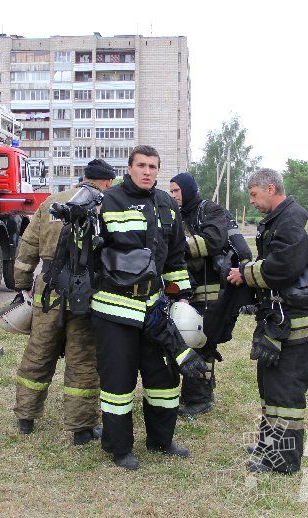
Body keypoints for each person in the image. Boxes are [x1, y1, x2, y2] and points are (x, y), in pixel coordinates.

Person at [91, 145, 207, 470]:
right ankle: (119, 448)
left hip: (154, 308)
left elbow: (174, 257)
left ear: (158, 170)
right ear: (129, 168)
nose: (147, 171)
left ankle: (161, 440)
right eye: (141, 165)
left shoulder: (168, 204)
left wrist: (180, 296)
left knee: (164, 379)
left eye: (153, 167)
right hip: (116, 310)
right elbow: (110, 254)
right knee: (118, 383)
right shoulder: (110, 201)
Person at [227, 168, 308, 475]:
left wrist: (245, 274)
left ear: (271, 188)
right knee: (270, 388)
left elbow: (282, 267)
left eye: (255, 195)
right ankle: (268, 443)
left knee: (285, 393)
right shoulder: (280, 218)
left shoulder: (292, 220)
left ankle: (282, 461)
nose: (253, 202)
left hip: (294, 324)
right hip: (279, 318)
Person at [11, 159, 116, 444]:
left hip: (50, 289)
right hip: (87, 291)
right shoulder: (106, 205)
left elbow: (28, 246)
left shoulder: (50, 202)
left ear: (83, 177)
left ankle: (26, 417)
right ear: (107, 182)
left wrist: (21, 284)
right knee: (82, 359)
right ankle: (81, 429)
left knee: (39, 352)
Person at [168, 172, 229, 416]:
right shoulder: (177, 214)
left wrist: (177, 246)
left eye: (176, 191)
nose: (173, 195)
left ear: (188, 189)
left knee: (200, 343)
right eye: (170, 191)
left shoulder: (210, 210)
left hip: (208, 292)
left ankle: (198, 400)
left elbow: (214, 240)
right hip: (183, 290)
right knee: (183, 342)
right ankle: (203, 389)